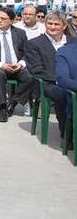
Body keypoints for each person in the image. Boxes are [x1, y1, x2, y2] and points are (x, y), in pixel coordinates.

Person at [0, 6, 38, 123]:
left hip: (16, 66)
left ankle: (13, 103)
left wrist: (21, 64)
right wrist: (1, 64)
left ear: (11, 21)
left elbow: (27, 52)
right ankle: (2, 108)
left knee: (31, 76)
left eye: (3, 18)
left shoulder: (20, 33)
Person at [27, 11, 74, 140]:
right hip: (48, 84)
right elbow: (36, 70)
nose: (52, 27)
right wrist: (61, 79)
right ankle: (67, 134)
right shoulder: (34, 44)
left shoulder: (72, 42)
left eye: (56, 24)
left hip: (72, 82)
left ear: (64, 26)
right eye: (50, 23)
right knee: (64, 95)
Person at [55, 40, 77, 147]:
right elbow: (63, 79)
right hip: (74, 94)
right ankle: (67, 135)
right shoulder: (65, 52)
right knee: (61, 94)